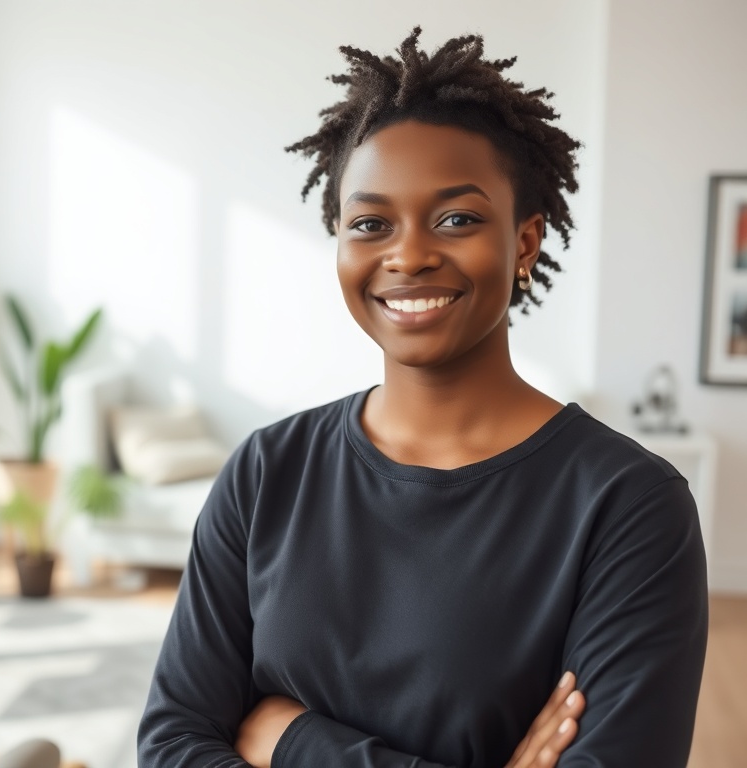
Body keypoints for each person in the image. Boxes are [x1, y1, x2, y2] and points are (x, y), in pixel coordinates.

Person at [137, 28, 708, 768]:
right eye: (370, 224)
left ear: (526, 243)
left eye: (457, 218)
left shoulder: (628, 506)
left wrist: (292, 739)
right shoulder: (267, 472)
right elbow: (172, 744)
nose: (408, 255)